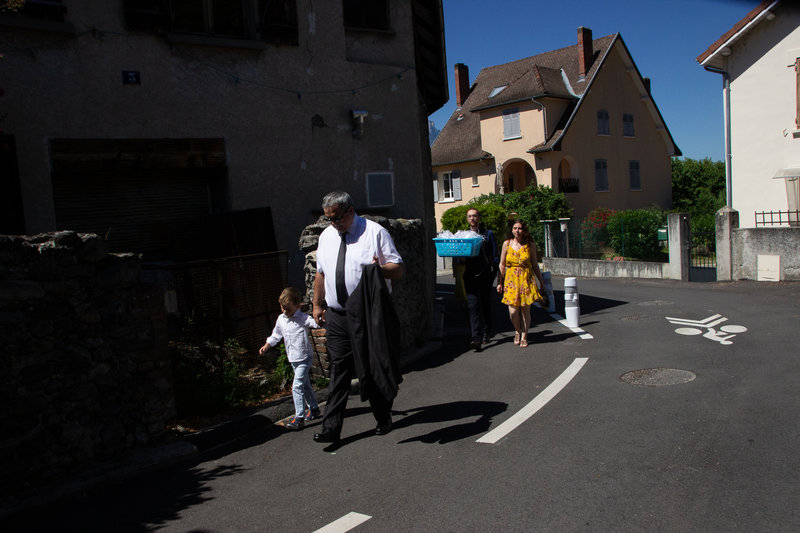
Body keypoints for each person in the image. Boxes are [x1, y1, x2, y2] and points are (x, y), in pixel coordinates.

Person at [311, 191, 404, 443]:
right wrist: (317, 305)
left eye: (338, 218)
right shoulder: (327, 236)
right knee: (338, 369)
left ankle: (383, 417)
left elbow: (397, 269)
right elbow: (320, 273)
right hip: (337, 316)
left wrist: (378, 269)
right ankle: (331, 427)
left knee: (371, 368)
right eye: (329, 219)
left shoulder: (374, 233)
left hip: (367, 315)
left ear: (351, 211)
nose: (334, 223)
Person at [259, 287, 321, 430]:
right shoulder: (281, 319)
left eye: (288, 308)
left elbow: (315, 323)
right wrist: (267, 345)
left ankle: (299, 417)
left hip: (305, 357)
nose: (284, 311)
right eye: (282, 308)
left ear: (297, 306)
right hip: (293, 358)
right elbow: (276, 335)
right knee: (305, 384)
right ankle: (314, 408)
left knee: (297, 386)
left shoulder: (302, 318)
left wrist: (321, 319)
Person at [497, 219, 545, 348]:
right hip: (511, 280)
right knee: (513, 311)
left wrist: (541, 282)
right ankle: (517, 330)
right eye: (515, 228)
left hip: (526, 279)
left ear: (524, 230)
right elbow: (502, 264)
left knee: (525, 310)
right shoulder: (506, 244)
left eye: (520, 228)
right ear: (511, 230)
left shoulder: (530, 245)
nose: (517, 231)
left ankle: (524, 335)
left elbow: (535, 265)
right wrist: (499, 282)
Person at [459, 207, 499, 351]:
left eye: (475, 216)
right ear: (467, 219)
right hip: (470, 275)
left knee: (485, 304)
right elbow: (460, 258)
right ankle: (476, 338)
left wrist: (494, 274)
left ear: (479, 218)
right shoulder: (464, 236)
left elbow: (495, 255)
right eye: (470, 216)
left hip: (485, 275)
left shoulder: (488, 234)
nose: (472, 219)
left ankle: (487, 331)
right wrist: (461, 259)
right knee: (473, 307)